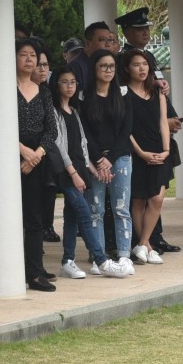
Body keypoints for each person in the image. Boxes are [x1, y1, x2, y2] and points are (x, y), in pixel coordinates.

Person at [53, 67, 130, 279]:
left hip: (80, 169)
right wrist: (73, 173)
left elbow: (83, 143)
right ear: (56, 85)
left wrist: (90, 168)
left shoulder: (75, 112)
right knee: (85, 214)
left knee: (71, 216)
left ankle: (68, 261)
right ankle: (102, 260)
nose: (70, 86)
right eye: (64, 82)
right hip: (65, 172)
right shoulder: (55, 112)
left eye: (73, 82)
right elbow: (59, 146)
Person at [116, 7, 182, 254]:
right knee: (139, 194)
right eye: (139, 29)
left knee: (156, 192)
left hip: (155, 130)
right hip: (136, 134)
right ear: (126, 32)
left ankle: (154, 237)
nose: (145, 33)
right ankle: (143, 241)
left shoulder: (151, 58)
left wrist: (170, 118)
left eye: (147, 28)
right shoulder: (123, 59)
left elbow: (158, 91)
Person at [78, 49, 136, 275]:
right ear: (94, 69)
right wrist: (99, 159)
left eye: (111, 66)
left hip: (119, 157)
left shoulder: (123, 93)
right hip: (94, 159)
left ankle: (124, 255)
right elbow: (84, 131)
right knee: (95, 209)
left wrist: (109, 159)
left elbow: (126, 129)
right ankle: (98, 257)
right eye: (103, 66)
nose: (108, 70)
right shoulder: (83, 96)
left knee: (121, 208)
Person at [15, 38, 58, 291]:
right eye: (23, 54)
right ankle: (14, 267)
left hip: (37, 162)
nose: (30, 60)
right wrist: (22, 151)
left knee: (35, 219)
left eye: (33, 55)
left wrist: (36, 155)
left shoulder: (44, 91)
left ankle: (35, 271)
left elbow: (51, 131)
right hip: (11, 159)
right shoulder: (6, 89)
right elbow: (1, 126)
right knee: (12, 217)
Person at [121, 49, 170, 265]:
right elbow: (125, 128)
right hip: (136, 151)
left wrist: (166, 150)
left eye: (144, 64)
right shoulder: (123, 93)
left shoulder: (157, 91)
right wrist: (140, 152)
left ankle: (142, 243)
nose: (142, 68)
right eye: (136, 64)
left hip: (158, 150)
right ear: (127, 69)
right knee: (139, 200)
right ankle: (147, 247)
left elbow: (163, 122)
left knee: (157, 199)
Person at [32, 48, 59, 243]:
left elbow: (52, 129)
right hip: (23, 155)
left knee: (48, 192)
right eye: (38, 64)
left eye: (45, 64)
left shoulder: (46, 92)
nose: (43, 69)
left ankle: (47, 227)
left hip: (43, 153)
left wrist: (39, 152)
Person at [69, 22, 117, 92]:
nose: (107, 44)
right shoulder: (75, 68)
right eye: (102, 40)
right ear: (87, 44)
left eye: (109, 40)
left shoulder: (112, 63)